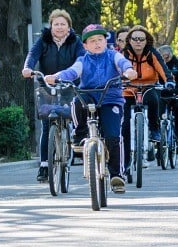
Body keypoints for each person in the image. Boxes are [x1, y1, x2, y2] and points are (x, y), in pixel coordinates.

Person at [46, 24, 136, 193]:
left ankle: (117, 175)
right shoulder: (83, 60)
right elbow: (72, 72)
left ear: (106, 41)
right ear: (85, 46)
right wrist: (57, 77)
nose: (97, 43)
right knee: (77, 102)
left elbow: (123, 63)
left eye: (100, 40)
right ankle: (79, 134)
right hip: (87, 95)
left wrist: (129, 70)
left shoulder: (113, 55)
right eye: (92, 41)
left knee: (113, 136)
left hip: (110, 99)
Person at [21, 9, 84, 182]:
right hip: (47, 86)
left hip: (69, 85)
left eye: (63, 24)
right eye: (56, 24)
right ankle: (44, 166)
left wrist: (72, 73)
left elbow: (81, 59)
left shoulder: (76, 42)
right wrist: (28, 68)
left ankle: (74, 142)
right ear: (51, 26)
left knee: (71, 117)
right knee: (47, 124)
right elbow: (32, 55)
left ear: (69, 27)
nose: (59, 27)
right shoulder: (43, 40)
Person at [121, 25, 172, 176]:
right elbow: (117, 68)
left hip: (148, 86)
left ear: (146, 41)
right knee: (125, 123)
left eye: (141, 39)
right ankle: (125, 160)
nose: (138, 42)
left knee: (153, 99)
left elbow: (163, 69)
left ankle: (154, 129)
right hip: (128, 88)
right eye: (134, 39)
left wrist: (169, 81)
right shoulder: (124, 54)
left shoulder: (152, 53)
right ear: (129, 40)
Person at [157, 44, 178, 153]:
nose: (165, 59)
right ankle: (158, 139)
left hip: (176, 93)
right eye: (162, 57)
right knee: (156, 111)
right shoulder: (157, 63)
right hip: (161, 94)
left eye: (167, 56)